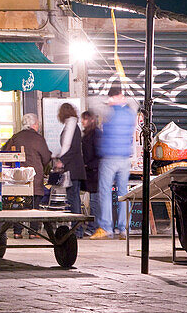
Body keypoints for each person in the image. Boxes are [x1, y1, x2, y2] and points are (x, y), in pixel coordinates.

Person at [89, 79, 138, 239]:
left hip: (109, 157)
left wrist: (110, 100)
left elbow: (92, 102)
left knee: (105, 192)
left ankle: (106, 227)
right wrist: (123, 98)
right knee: (123, 193)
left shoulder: (108, 112)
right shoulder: (131, 111)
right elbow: (136, 100)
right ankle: (124, 229)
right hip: (125, 158)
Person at [3, 113, 52, 199]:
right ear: (34, 125)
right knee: (35, 208)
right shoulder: (38, 139)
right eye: (37, 124)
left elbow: (5, 154)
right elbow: (46, 158)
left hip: (17, 180)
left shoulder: (15, 138)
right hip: (35, 181)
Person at [53, 102, 85, 216]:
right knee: (73, 197)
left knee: (73, 198)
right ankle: (77, 228)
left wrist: (62, 160)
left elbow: (73, 148)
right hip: (74, 168)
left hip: (73, 168)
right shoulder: (72, 126)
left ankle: (77, 229)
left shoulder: (71, 127)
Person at [80, 110, 101, 236]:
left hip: (95, 173)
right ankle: (93, 226)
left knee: (94, 201)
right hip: (90, 172)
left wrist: (89, 165)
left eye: (85, 119)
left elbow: (99, 154)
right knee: (93, 201)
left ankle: (94, 227)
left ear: (91, 120)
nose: (82, 121)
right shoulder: (88, 134)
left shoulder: (96, 134)